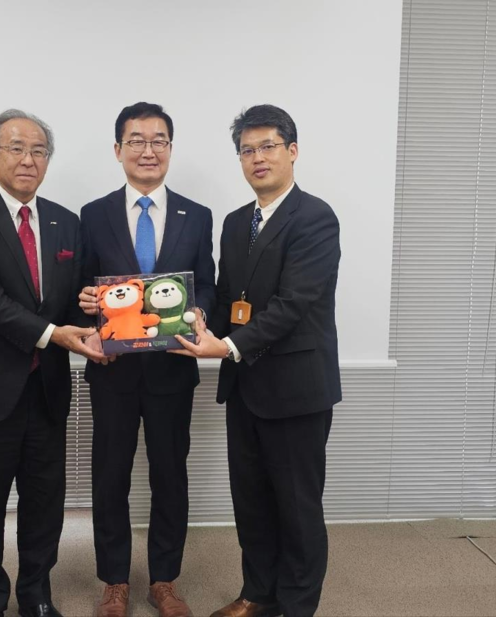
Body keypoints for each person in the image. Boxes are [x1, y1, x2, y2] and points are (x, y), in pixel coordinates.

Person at [172, 104, 341, 617]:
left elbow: (293, 304)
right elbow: (230, 298)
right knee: (251, 501)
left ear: (292, 151)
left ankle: (296, 606)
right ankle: (258, 594)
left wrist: (227, 347)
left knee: (297, 506)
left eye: (268, 146)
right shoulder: (235, 222)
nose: (257, 158)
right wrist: (200, 322)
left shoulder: (314, 218)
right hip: (244, 387)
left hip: (296, 389)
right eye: (247, 150)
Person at [0, 109, 103, 617]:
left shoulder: (64, 221)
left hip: (45, 389)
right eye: (16, 148)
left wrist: (91, 314)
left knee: (45, 502)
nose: (29, 159)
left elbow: (72, 301)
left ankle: (36, 593)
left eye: (39, 151)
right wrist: (54, 334)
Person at [78, 102, 216, 617]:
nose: (148, 150)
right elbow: (81, 289)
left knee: (169, 476)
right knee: (109, 476)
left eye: (159, 140)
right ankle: (114, 582)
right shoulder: (92, 214)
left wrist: (199, 311)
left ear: (170, 149)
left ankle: (164, 580)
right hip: (111, 371)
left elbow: (209, 286)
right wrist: (86, 307)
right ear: (118, 150)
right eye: (136, 140)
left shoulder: (197, 215)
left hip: (172, 371)